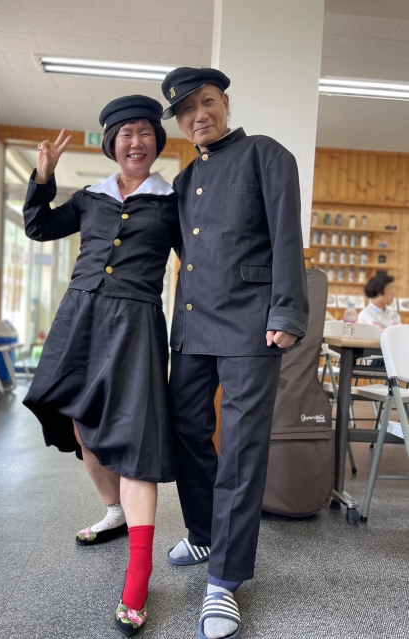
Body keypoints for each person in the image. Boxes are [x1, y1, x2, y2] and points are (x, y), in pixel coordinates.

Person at [22, 95, 180, 636]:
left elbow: (200, 264)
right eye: (125, 133)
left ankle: (139, 575)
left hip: (135, 325)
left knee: (133, 445)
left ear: (157, 141)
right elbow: (38, 227)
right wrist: (43, 177)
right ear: (112, 143)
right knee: (82, 424)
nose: (136, 141)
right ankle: (115, 512)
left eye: (145, 132)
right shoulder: (90, 197)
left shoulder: (172, 202)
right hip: (79, 320)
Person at [160, 68, 309, 639]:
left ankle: (224, 580)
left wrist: (287, 312)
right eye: (187, 110)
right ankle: (204, 533)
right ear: (180, 122)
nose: (199, 115)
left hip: (251, 326)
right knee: (185, 430)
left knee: (242, 449)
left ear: (224, 102)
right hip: (193, 324)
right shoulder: (183, 180)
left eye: (207, 102)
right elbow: (187, 251)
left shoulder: (267, 154)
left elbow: (287, 236)